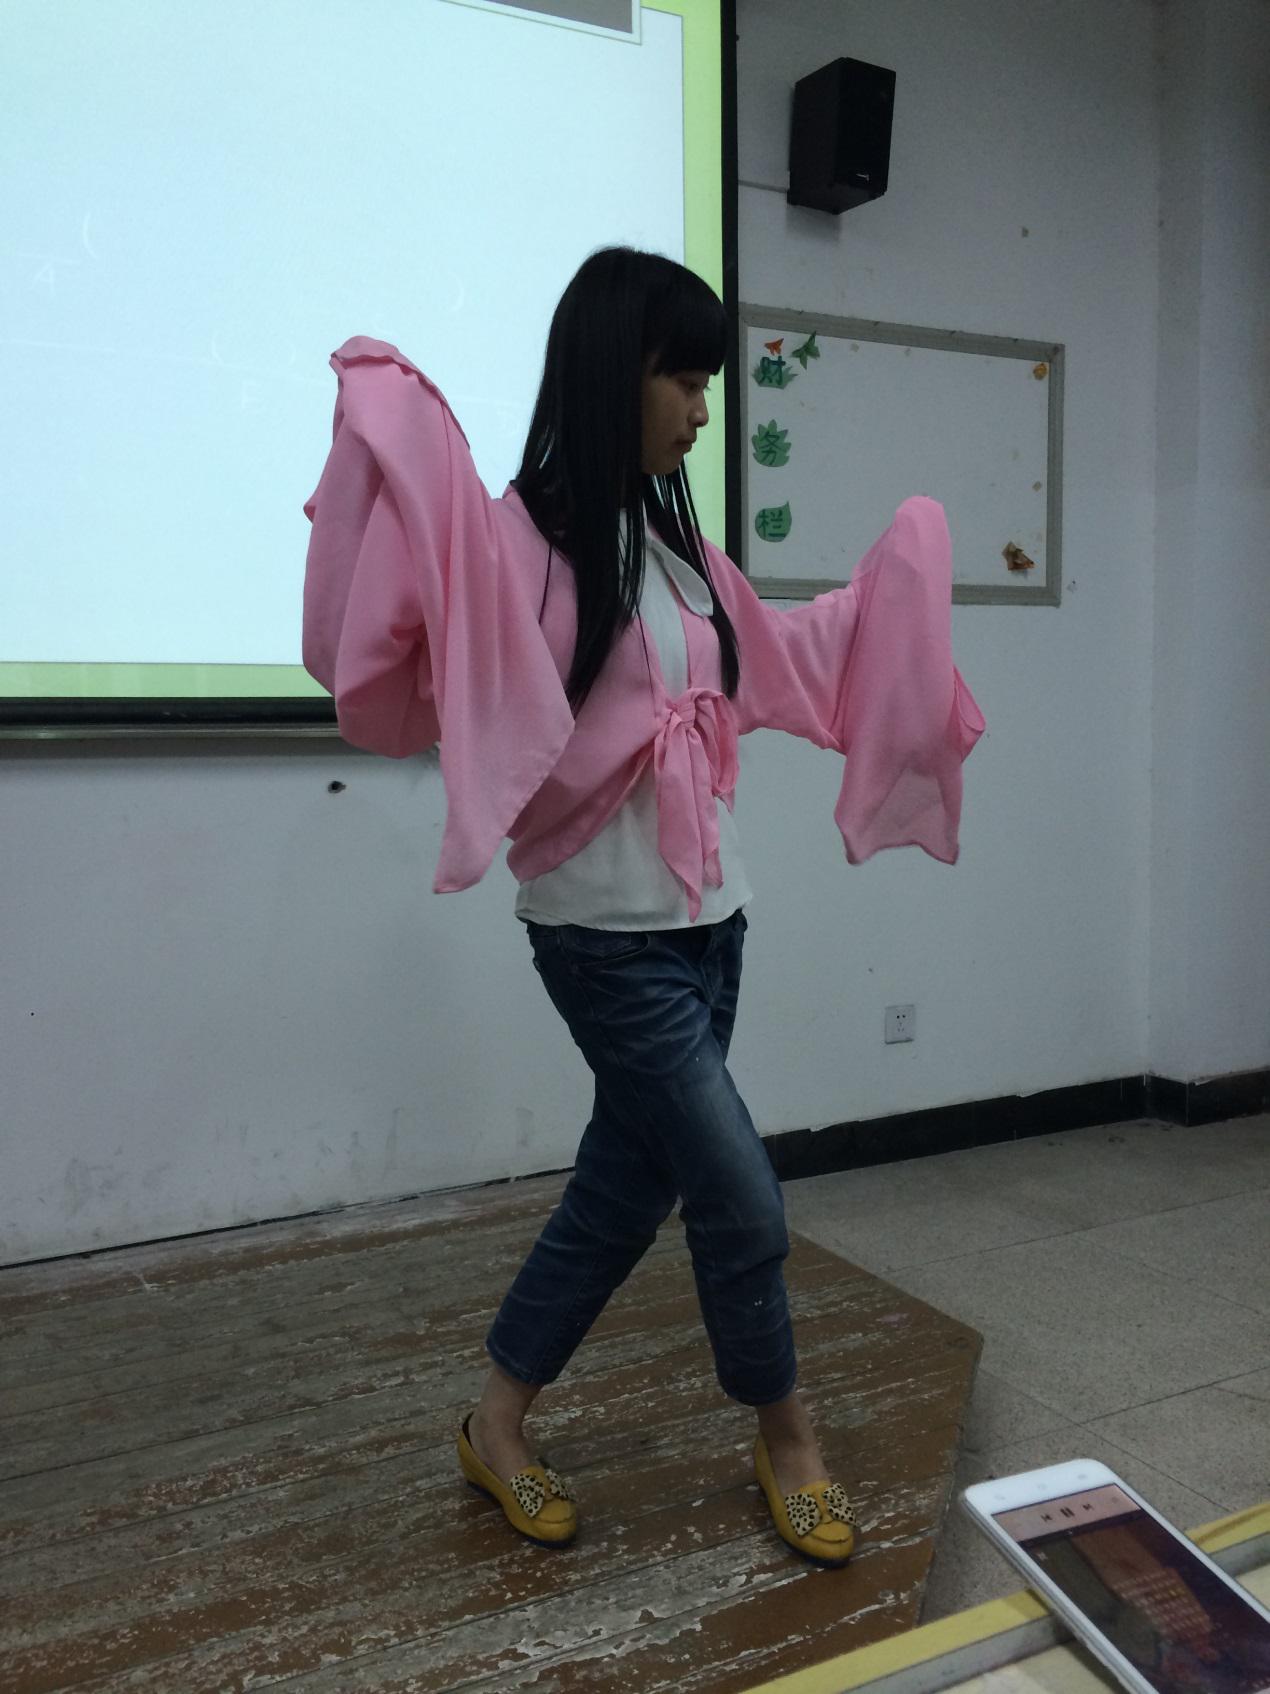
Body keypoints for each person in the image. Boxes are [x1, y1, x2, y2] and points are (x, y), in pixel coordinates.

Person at [302, 247, 983, 1566]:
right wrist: (409, 448)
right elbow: (442, 627)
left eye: (709, 383)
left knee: (623, 1190)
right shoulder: (516, 542)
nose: (701, 410)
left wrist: (890, 586)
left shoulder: (678, 552)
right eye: (684, 378)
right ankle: (788, 1436)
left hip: (714, 921)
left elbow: (778, 660)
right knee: (740, 1194)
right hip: (602, 939)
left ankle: (495, 1422)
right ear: (616, 370)